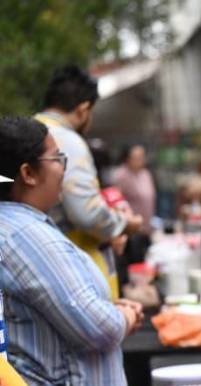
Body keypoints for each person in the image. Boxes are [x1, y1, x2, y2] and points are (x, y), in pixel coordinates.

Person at [0, 116, 143, 386]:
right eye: (57, 159)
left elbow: (63, 308)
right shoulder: (24, 235)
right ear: (28, 173)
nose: (64, 169)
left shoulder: (24, 227)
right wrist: (126, 316)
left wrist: (110, 308)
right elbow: (95, 326)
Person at [34, 66, 142, 300]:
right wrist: (123, 224)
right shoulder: (67, 141)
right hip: (73, 271)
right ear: (83, 109)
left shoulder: (30, 132)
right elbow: (87, 214)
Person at [111, 144, 156, 284]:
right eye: (136, 157)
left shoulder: (145, 174)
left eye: (142, 157)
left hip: (147, 228)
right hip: (131, 232)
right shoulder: (121, 175)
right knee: (133, 271)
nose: (140, 160)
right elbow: (116, 202)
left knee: (145, 268)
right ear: (128, 159)